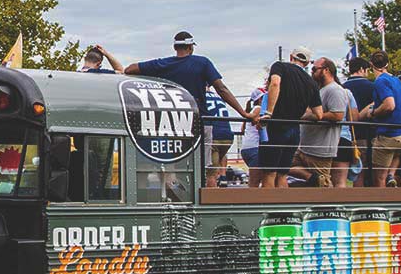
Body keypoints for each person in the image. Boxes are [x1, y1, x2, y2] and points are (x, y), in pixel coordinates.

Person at [95, 32, 257, 149]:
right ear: (191, 48)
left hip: (174, 123)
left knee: (174, 165)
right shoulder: (202, 63)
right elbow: (222, 89)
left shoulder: (163, 64)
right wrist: (244, 113)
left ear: (175, 47)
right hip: (200, 120)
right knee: (205, 169)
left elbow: (130, 69)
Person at [261, 47, 320, 188]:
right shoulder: (311, 82)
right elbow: (319, 114)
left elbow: (275, 83)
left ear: (291, 57)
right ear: (306, 63)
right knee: (283, 174)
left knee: (269, 173)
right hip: (294, 129)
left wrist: (269, 112)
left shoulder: (280, 66)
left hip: (276, 126)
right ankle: (284, 208)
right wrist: (299, 116)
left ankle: (268, 208)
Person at [357, 53, 401, 187]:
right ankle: (391, 176)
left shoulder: (380, 81)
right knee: (394, 158)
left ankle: (383, 204)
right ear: (387, 64)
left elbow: (389, 105)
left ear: (371, 65)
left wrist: (373, 113)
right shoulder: (396, 80)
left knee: (379, 178)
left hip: (389, 136)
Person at [287, 57, 347, 188]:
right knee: (282, 166)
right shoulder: (320, 89)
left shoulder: (335, 90)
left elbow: (338, 114)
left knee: (324, 185)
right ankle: (311, 178)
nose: (312, 72)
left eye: (314, 69)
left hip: (321, 148)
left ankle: (332, 208)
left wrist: (313, 116)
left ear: (326, 70)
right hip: (305, 146)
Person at [241, 83, 268, 187]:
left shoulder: (252, 109)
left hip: (247, 148)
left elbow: (243, 129)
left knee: (258, 178)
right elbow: (256, 119)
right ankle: (250, 201)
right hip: (255, 149)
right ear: (261, 99)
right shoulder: (258, 108)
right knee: (254, 181)